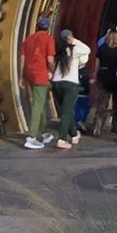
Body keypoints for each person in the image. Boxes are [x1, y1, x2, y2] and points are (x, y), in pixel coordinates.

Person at [20, 16, 62, 149]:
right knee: (38, 105)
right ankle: (31, 137)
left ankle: (44, 133)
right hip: (40, 73)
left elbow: (22, 58)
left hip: (29, 73)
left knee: (39, 101)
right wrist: (56, 72)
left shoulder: (28, 39)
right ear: (48, 28)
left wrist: (22, 77)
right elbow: (49, 59)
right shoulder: (48, 39)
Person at [51, 24, 90, 149]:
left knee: (65, 110)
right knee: (67, 112)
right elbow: (87, 50)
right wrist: (74, 40)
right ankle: (62, 139)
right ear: (70, 38)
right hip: (70, 83)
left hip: (56, 82)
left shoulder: (60, 50)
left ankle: (73, 134)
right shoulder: (74, 49)